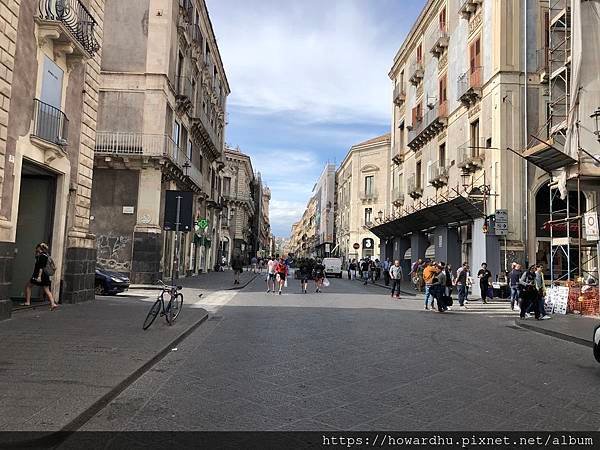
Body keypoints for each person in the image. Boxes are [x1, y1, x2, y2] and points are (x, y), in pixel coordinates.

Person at [24, 243, 58, 310]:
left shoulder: (41, 256)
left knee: (28, 286)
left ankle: (27, 302)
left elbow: (41, 267)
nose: (36, 249)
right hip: (45, 275)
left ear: (39, 248)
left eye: (37, 248)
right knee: (47, 290)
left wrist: (39, 276)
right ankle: (53, 303)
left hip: (38, 275)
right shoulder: (46, 256)